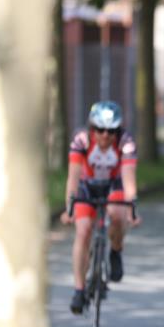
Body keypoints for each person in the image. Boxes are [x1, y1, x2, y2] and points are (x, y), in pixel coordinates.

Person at [60, 101, 140, 314]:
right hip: (87, 185)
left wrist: (132, 209)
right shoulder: (81, 141)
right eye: (100, 129)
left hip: (113, 185)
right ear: (92, 128)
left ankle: (116, 250)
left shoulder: (125, 143)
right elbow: (73, 177)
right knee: (83, 230)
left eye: (111, 131)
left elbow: (129, 180)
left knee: (117, 213)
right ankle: (79, 289)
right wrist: (69, 208)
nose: (105, 135)